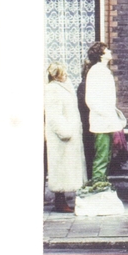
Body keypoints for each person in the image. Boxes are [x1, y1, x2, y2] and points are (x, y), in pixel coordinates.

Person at [44, 63, 87, 212]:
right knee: (60, 167)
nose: (66, 75)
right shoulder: (52, 89)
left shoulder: (65, 87)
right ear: (56, 75)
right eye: (62, 73)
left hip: (70, 134)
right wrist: (65, 131)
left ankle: (65, 200)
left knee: (67, 167)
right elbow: (54, 114)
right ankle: (60, 201)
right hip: (61, 137)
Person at [84, 41, 127, 184]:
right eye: (106, 49)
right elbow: (91, 99)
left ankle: (101, 186)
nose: (109, 51)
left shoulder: (102, 70)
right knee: (102, 156)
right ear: (101, 54)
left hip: (107, 121)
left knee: (106, 156)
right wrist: (107, 114)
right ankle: (98, 187)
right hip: (101, 122)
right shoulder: (97, 71)